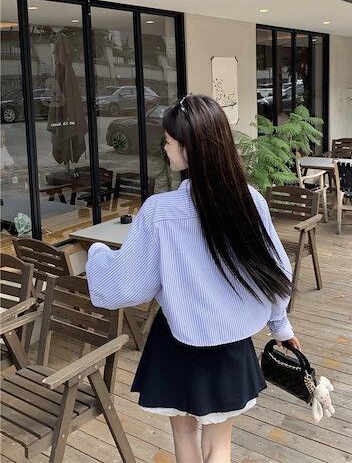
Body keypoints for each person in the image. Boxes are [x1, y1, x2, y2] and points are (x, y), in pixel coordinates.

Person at [86, 94, 300, 463]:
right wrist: (280, 327)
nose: (165, 147)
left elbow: (129, 285)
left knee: (184, 437)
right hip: (231, 342)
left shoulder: (160, 211)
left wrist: (97, 256)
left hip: (178, 337)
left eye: (168, 141)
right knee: (219, 445)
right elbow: (277, 273)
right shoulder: (249, 201)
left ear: (189, 149)